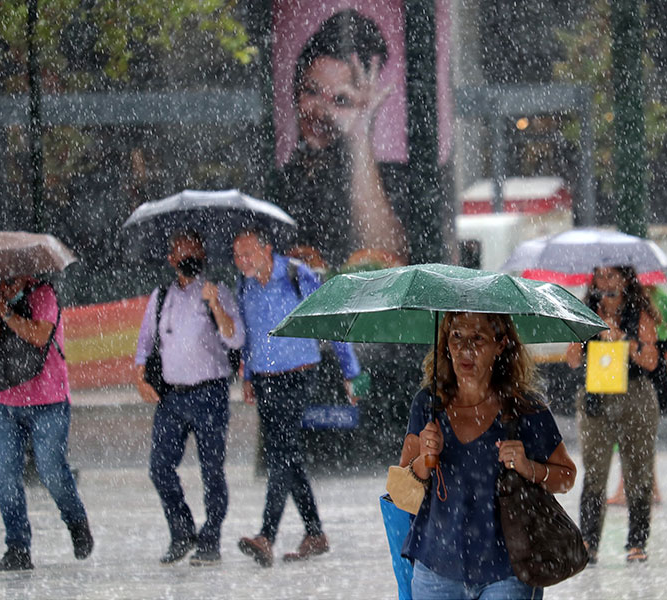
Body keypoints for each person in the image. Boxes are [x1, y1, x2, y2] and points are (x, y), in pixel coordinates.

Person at [399, 312, 577, 599]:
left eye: (478, 338)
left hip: (509, 572)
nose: (465, 348)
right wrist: (423, 460)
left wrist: (528, 468)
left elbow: (566, 477)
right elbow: (400, 495)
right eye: (456, 336)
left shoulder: (526, 408)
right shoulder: (427, 406)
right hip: (436, 571)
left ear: (501, 344)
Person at [233, 230, 362, 567]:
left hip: (298, 375)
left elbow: (329, 319)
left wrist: (351, 372)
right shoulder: (244, 284)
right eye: (238, 256)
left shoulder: (294, 274)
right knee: (287, 457)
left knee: (281, 455)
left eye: (248, 254)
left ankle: (266, 535)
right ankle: (315, 533)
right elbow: (249, 335)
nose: (243, 262)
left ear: (267, 250)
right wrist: (247, 377)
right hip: (264, 380)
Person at [134, 230, 244, 566]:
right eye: (181, 251)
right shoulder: (162, 295)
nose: (188, 256)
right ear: (171, 259)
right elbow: (145, 342)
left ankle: (210, 539)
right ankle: (182, 531)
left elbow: (235, 338)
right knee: (159, 468)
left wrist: (214, 304)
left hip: (210, 393)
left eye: (194, 250)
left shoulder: (218, 291)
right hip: (172, 396)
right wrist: (139, 375)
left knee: (212, 470)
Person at [270, 8, 409, 271]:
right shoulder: (282, 180)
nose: (321, 111)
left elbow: (386, 259)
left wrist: (359, 136)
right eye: (312, 91)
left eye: (341, 100)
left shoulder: (387, 179)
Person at [0, 275, 93, 571]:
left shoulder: (44, 295)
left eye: (13, 277)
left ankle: (75, 519)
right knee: (6, 477)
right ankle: (17, 547)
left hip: (49, 401)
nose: (7, 282)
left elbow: (39, 335)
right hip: (5, 403)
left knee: (51, 470)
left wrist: (6, 312)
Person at [566, 265, 659, 563]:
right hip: (596, 398)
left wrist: (627, 343)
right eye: (601, 277)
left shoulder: (639, 313)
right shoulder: (585, 312)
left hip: (635, 397)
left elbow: (651, 361)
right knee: (594, 473)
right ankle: (589, 542)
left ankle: (637, 542)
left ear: (626, 279)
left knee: (638, 472)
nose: (607, 284)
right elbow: (570, 359)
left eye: (614, 276)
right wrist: (587, 334)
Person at [607, 284, 667, 506]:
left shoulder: (655, 297)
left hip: (649, 365)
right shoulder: (624, 296)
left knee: (637, 428)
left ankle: (628, 488)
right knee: (637, 429)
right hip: (632, 361)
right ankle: (650, 488)